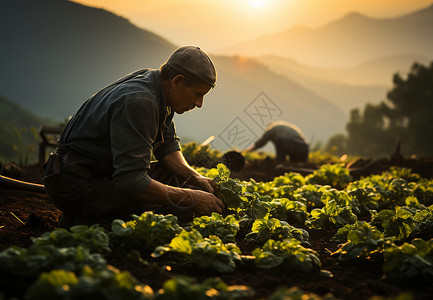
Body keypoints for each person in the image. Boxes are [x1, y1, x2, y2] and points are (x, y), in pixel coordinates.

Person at [43, 46, 224, 227]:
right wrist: (191, 198)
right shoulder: (140, 101)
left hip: (102, 172)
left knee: (180, 180)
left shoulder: (159, 85)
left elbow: (167, 145)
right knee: (181, 207)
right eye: (197, 94)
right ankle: (88, 219)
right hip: (76, 184)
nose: (199, 103)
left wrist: (196, 177)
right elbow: (132, 182)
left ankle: (96, 216)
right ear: (177, 81)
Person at [243, 121, 309, 162]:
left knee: (279, 141)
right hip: (304, 149)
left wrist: (246, 151)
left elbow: (261, 142)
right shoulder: (282, 127)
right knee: (293, 164)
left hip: (292, 146)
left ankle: (280, 161)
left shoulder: (272, 128)